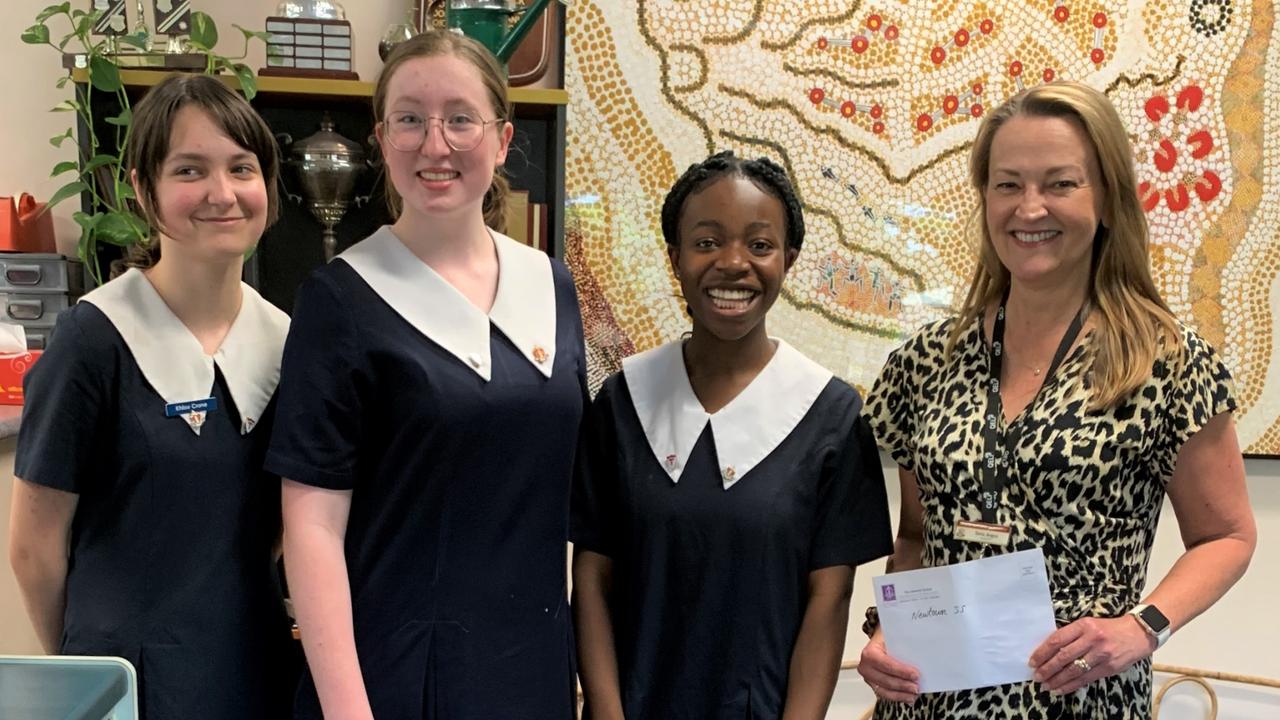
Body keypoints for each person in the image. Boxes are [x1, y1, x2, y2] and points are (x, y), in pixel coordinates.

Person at [856, 81, 1256, 718]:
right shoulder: (922, 362)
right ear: (985, 197)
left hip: (1077, 699)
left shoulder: (1167, 362)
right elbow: (915, 535)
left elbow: (1228, 536)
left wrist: (1143, 625)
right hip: (930, 701)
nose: (1030, 208)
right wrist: (887, 631)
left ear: (1107, 201)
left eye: (1061, 183)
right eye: (1008, 184)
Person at [267, 30, 585, 720]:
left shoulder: (552, 287)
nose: (435, 144)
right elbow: (312, 527)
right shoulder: (341, 300)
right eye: (410, 118)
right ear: (380, 139)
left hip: (530, 660)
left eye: (460, 118)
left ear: (502, 139)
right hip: (397, 670)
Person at [7, 74, 297, 719]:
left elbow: (275, 531)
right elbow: (33, 546)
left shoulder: (285, 343)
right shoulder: (96, 339)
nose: (222, 194)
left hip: (253, 669)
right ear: (142, 188)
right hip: (128, 675)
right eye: (189, 170)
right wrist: (85, 674)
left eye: (242, 168)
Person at [572, 150, 894, 719]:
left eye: (760, 244)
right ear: (674, 257)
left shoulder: (830, 414)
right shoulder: (623, 402)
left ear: (788, 259)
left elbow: (829, 598)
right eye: (706, 242)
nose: (733, 263)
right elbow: (593, 578)